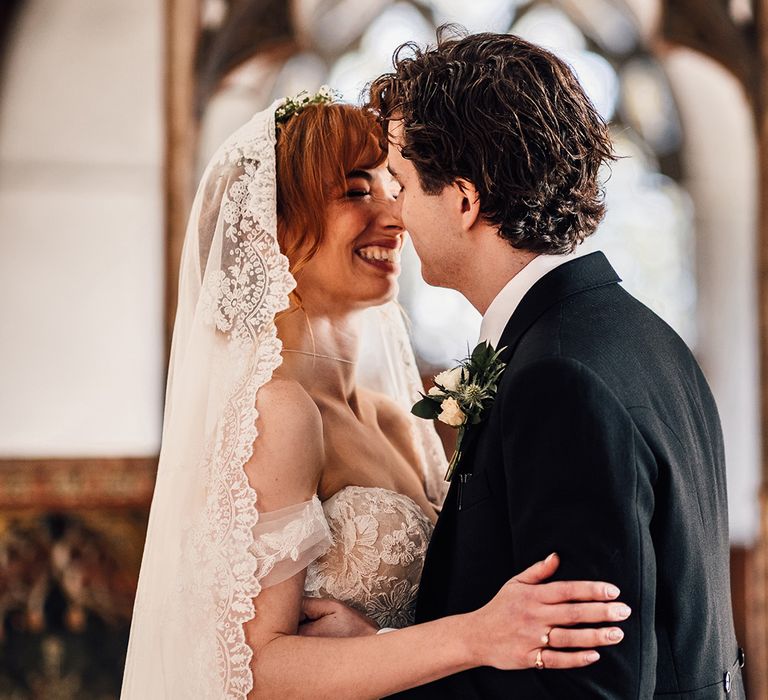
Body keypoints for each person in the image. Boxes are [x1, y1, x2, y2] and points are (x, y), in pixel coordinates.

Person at [120, 92, 629, 699]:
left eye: (393, 187)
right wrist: (471, 638)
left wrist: (384, 640)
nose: (394, 217)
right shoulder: (278, 415)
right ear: (272, 230)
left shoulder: (401, 414)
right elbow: (248, 672)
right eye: (356, 192)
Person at [353, 28, 744, 698]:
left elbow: (585, 687)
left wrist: (375, 664)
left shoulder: (558, 380)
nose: (394, 211)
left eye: (403, 182)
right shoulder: (643, 335)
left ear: (464, 200)